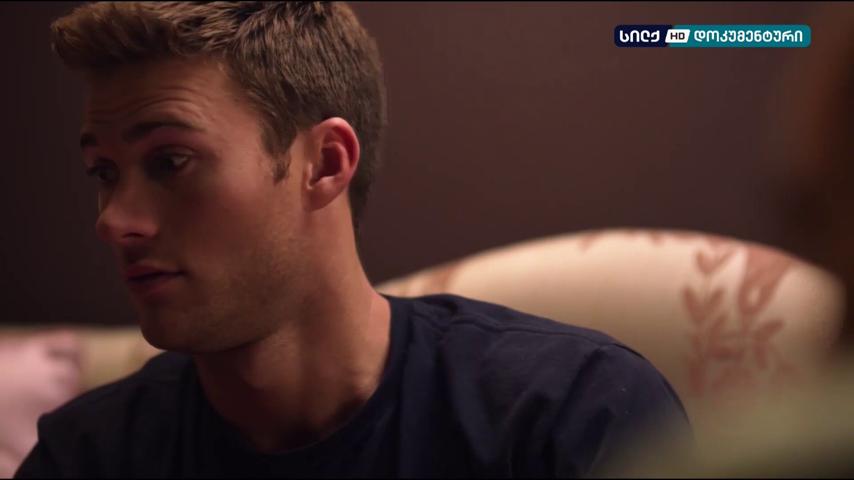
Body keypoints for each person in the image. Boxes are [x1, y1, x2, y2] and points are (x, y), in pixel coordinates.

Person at [15, 2, 689, 477]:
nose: (114, 220)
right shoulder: (87, 455)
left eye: (170, 162)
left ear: (325, 164)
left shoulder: (570, 415)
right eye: (104, 173)